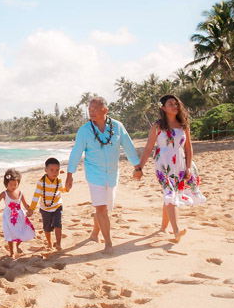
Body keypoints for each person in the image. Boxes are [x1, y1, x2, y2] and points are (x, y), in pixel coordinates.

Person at [66, 97, 140, 255]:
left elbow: (128, 146)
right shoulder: (84, 131)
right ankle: (108, 243)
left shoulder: (118, 127)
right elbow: (76, 152)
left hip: (112, 174)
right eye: (89, 109)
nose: (91, 112)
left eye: (95, 109)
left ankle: (94, 233)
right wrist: (70, 174)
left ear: (105, 110)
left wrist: (137, 167)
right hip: (94, 174)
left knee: (104, 207)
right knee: (101, 208)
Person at [135, 94, 206, 243]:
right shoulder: (157, 126)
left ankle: (163, 228)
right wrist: (139, 167)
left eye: (176, 103)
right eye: (170, 104)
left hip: (180, 163)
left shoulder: (183, 124)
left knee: (172, 193)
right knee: (169, 192)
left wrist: (188, 167)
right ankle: (176, 230)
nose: (175, 106)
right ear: (163, 108)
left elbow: (188, 147)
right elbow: (148, 148)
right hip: (163, 163)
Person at [0, 168, 37, 258]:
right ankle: (12, 252)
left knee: (24, 232)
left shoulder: (20, 193)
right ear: (6, 183)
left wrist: (29, 210)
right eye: (11, 185)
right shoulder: (4, 194)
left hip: (20, 216)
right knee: (10, 234)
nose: (13, 187)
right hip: (9, 217)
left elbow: (25, 204)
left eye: (15, 184)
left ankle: (17, 245)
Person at [29, 157, 66, 251]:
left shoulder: (59, 181)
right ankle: (49, 243)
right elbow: (36, 196)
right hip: (45, 208)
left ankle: (58, 243)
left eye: (57, 170)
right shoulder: (41, 182)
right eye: (52, 170)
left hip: (57, 206)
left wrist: (67, 188)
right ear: (46, 170)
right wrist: (32, 208)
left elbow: (62, 190)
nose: (55, 172)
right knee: (47, 228)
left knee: (58, 224)